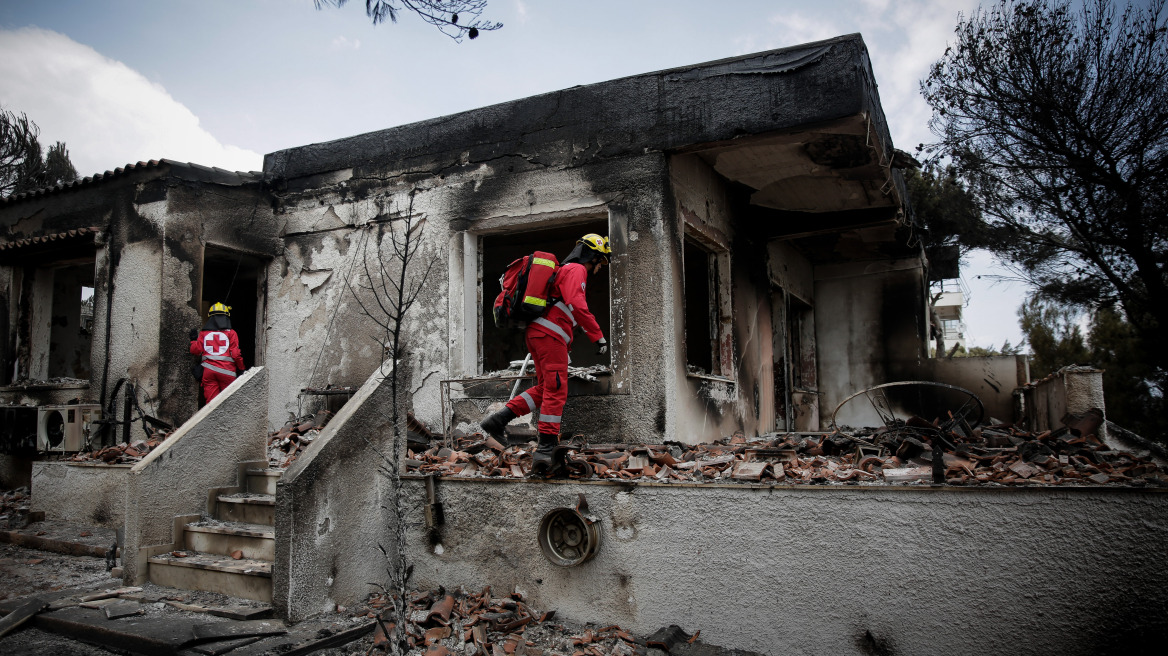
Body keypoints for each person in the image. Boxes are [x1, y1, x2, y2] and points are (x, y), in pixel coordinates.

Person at [481, 233, 611, 473]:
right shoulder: (576, 270)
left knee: (545, 388)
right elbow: (577, 303)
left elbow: (566, 305)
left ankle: (497, 420)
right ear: (592, 256)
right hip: (550, 337)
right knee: (557, 389)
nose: (599, 268)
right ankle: (546, 448)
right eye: (600, 262)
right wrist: (598, 336)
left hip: (539, 335)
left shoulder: (564, 271)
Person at [189, 302, 245, 403]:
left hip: (208, 372)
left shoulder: (204, 333)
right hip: (227, 372)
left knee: (211, 404)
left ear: (210, 317)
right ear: (227, 316)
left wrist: (193, 340)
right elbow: (236, 355)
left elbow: (195, 350)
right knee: (229, 403)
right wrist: (241, 369)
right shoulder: (232, 333)